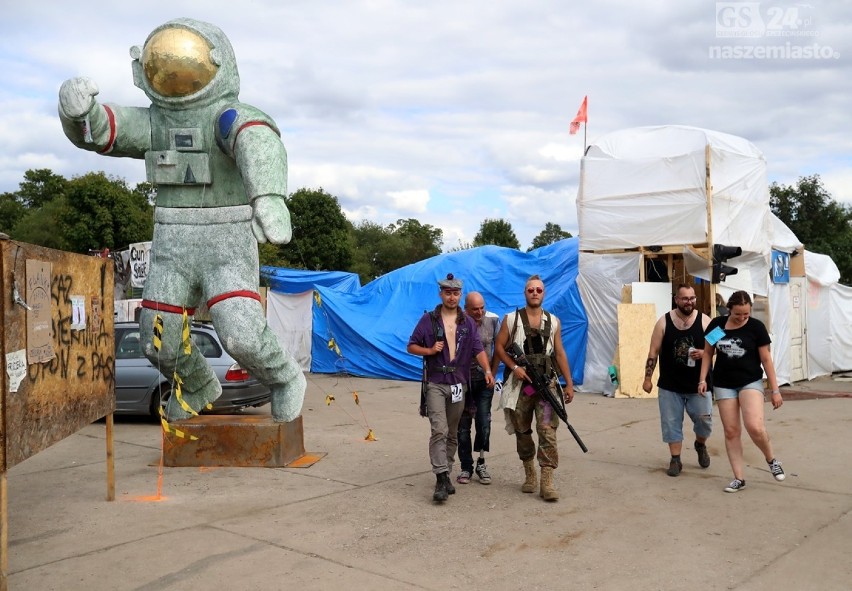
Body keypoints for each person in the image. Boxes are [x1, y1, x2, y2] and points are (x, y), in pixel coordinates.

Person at [57, 19, 305, 423]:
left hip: (227, 239)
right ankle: (196, 382)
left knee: (240, 333)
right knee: (157, 338)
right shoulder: (155, 123)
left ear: (218, 63)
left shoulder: (227, 114)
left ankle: (284, 377)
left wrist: (268, 196)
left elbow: (255, 137)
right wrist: (78, 113)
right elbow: (102, 131)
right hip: (172, 241)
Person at [408, 274, 494, 503]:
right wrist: (429, 351)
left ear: (460, 295)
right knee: (439, 430)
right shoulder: (429, 319)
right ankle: (441, 477)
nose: (452, 297)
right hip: (436, 382)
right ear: (441, 294)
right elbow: (411, 346)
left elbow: (478, 349)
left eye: (456, 293)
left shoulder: (466, 322)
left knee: (453, 432)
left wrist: (487, 371)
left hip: (458, 383)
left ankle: (446, 471)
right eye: (448, 292)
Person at [494, 275, 574, 501]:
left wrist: (568, 383)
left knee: (547, 430)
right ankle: (529, 472)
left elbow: (559, 353)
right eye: (531, 290)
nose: (535, 293)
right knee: (522, 430)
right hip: (521, 386)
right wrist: (513, 367)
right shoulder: (511, 320)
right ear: (525, 293)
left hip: (546, 385)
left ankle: (547, 481)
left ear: (544, 293)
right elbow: (499, 347)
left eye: (539, 289)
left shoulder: (554, 321)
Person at [698, 290, 786, 493]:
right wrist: (702, 379)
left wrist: (775, 390)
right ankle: (739, 478)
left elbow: (766, 360)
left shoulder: (756, 328)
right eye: (738, 314)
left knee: (754, 426)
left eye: (746, 314)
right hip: (723, 383)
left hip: (750, 381)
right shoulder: (718, 326)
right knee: (731, 431)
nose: (742, 318)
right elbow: (708, 353)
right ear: (729, 309)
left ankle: (771, 459)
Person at [642, 285, 713, 477]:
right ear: (676, 300)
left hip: (699, 384)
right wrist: (647, 378)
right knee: (671, 423)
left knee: (704, 422)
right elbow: (653, 352)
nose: (689, 302)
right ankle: (675, 460)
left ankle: (700, 444)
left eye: (692, 298)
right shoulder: (663, 322)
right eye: (685, 299)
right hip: (670, 385)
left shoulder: (706, 321)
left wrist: (705, 352)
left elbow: (719, 348)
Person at [456, 292, 500, 485]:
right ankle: (466, 467)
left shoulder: (493, 321)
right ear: (466, 308)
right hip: (463, 382)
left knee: (484, 423)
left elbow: (498, 350)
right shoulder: (458, 323)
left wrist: (493, 373)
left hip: (485, 382)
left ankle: (482, 462)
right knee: (462, 427)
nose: (479, 312)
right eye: (475, 309)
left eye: (482, 307)